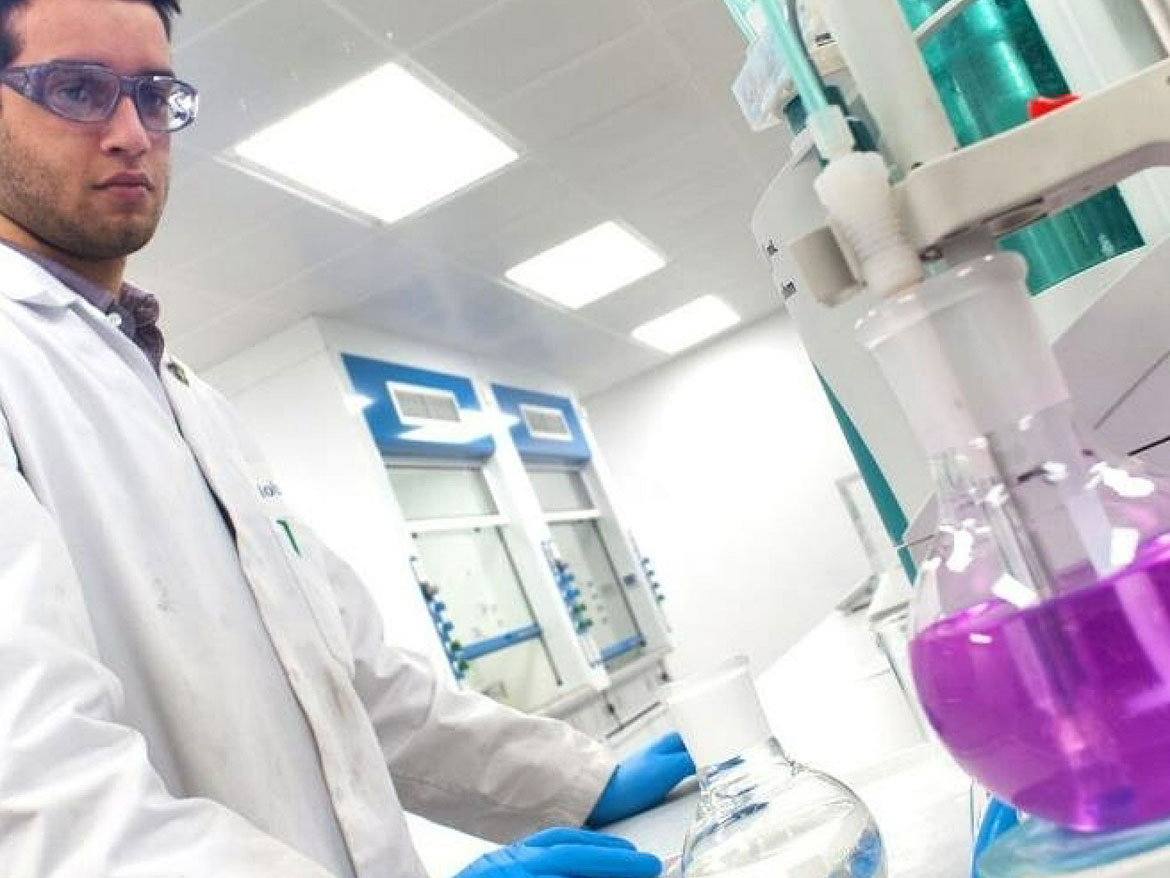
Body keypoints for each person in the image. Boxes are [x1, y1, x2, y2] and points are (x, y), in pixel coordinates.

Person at [0, 1, 695, 876]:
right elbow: (39, 799)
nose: (132, 133)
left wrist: (578, 781)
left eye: (154, 92)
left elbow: (354, 678)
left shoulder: (186, 396)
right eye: (77, 88)